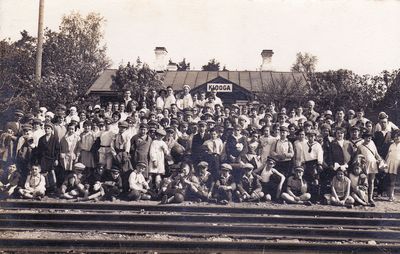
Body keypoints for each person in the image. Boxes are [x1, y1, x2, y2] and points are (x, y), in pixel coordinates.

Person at [357, 132, 382, 207]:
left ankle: (370, 198)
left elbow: (376, 154)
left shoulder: (372, 143)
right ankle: (364, 198)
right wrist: (361, 160)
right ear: (363, 138)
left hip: (373, 164)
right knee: (365, 182)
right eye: (367, 138)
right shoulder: (360, 146)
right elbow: (358, 156)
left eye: (370, 138)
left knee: (371, 181)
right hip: (365, 166)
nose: (369, 139)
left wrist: (380, 160)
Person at [36, 122, 60, 193]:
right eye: (45, 128)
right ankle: (46, 188)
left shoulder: (55, 139)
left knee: (52, 173)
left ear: (51, 129)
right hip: (43, 159)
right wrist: (38, 160)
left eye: (48, 128)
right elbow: (39, 150)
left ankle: (53, 188)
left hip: (51, 158)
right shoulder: (41, 139)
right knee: (44, 173)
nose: (47, 130)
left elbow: (57, 150)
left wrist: (56, 159)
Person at [385, 129, 400, 202]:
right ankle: (391, 196)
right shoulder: (391, 145)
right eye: (395, 137)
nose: (397, 138)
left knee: (395, 180)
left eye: (398, 136)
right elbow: (388, 155)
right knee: (391, 180)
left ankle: (392, 195)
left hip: (398, 164)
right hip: (391, 163)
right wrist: (385, 163)